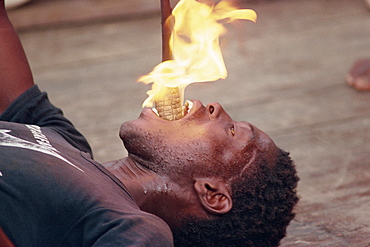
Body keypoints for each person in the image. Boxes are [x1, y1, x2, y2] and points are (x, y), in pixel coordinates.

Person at [0, 1, 299, 246]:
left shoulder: (135, 230)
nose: (215, 105)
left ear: (212, 193)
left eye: (232, 130)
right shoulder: (63, 139)